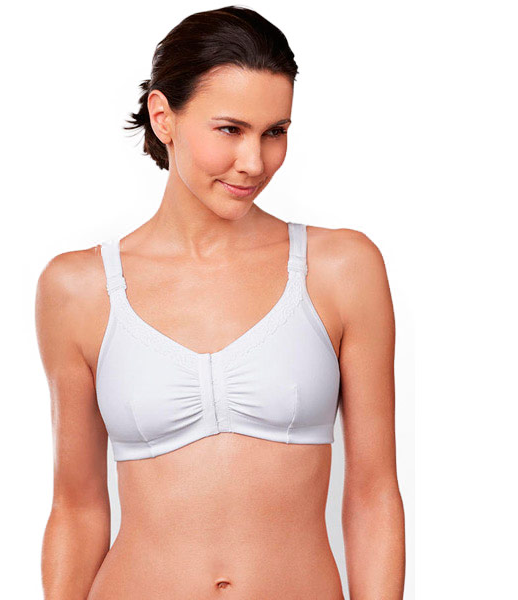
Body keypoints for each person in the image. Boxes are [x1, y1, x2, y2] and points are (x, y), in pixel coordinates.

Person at [35, 6, 405, 599]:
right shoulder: (78, 288)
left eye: (275, 132)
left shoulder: (342, 269)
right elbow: (77, 509)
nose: (255, 162)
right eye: (230, 130)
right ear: (164, 117)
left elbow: (373, 494)